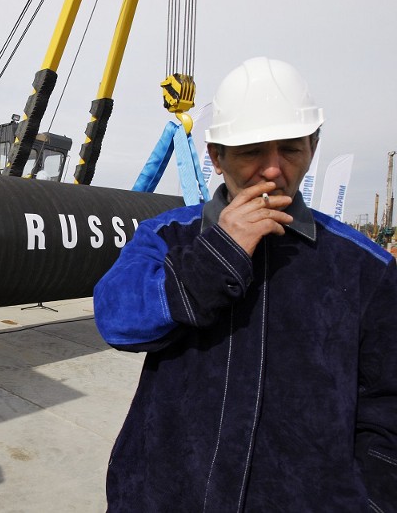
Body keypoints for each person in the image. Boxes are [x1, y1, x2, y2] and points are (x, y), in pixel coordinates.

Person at [94, 57, 397, 511]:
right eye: (253, 151)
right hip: (163, 495)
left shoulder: (364, 268)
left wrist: (370, 498)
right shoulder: (168, 235)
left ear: (313, 147)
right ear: (217, 157)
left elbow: (387, 404)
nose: (273, 170)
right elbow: (116, 320)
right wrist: (216, 256)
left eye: (290, 149)